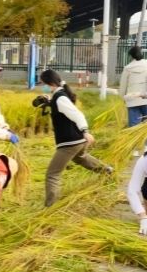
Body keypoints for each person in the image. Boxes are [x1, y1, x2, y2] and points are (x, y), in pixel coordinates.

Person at [39, 69, 112, 207]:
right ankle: (107, 170)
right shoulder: (58, 96)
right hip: (76, 142)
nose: (42, 86)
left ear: (50, 83)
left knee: (52, 174)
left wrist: (85, 131)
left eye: (43, 83)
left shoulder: (60, 98)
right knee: (80, 158)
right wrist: (49, 102)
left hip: (70, 142)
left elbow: (77, 115)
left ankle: (50, 207)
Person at [118, 46, 147, 127]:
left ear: (131, 56)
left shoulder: (127, 68)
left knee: (134, 128)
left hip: (132, 101)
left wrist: (123, 98)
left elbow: (123, 87)